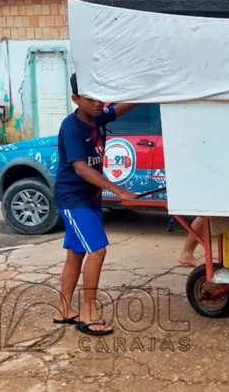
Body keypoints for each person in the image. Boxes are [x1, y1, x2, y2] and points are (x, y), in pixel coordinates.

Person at [52, 73, 140, 336]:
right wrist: (119, 190)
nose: (97, 103)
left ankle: (63, 309)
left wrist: (147, 89)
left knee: (76, 254)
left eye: (100, 97)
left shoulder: (99, 117)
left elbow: (126, 105)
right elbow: (80, 168)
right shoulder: (71, 127)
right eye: (90, 99)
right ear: (75, 99)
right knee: (98, 250)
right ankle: (88, 312)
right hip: (73, 198)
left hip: (89, 199)